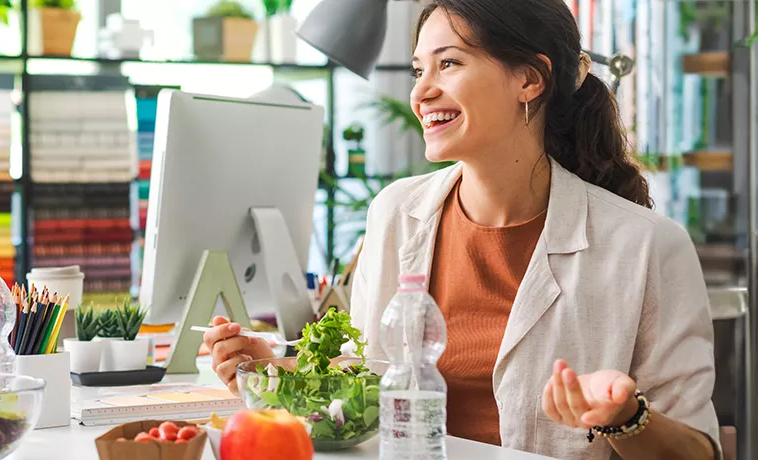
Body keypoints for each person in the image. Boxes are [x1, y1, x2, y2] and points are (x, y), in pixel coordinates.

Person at [204, 0, 721, 459]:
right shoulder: (396, 214)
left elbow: (698, 451)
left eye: (448, 63)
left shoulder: (647, 245)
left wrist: (623, 417)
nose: (422, 91)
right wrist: (274, 371)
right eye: (417, 70)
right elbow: (368, 386)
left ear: (530, 79)